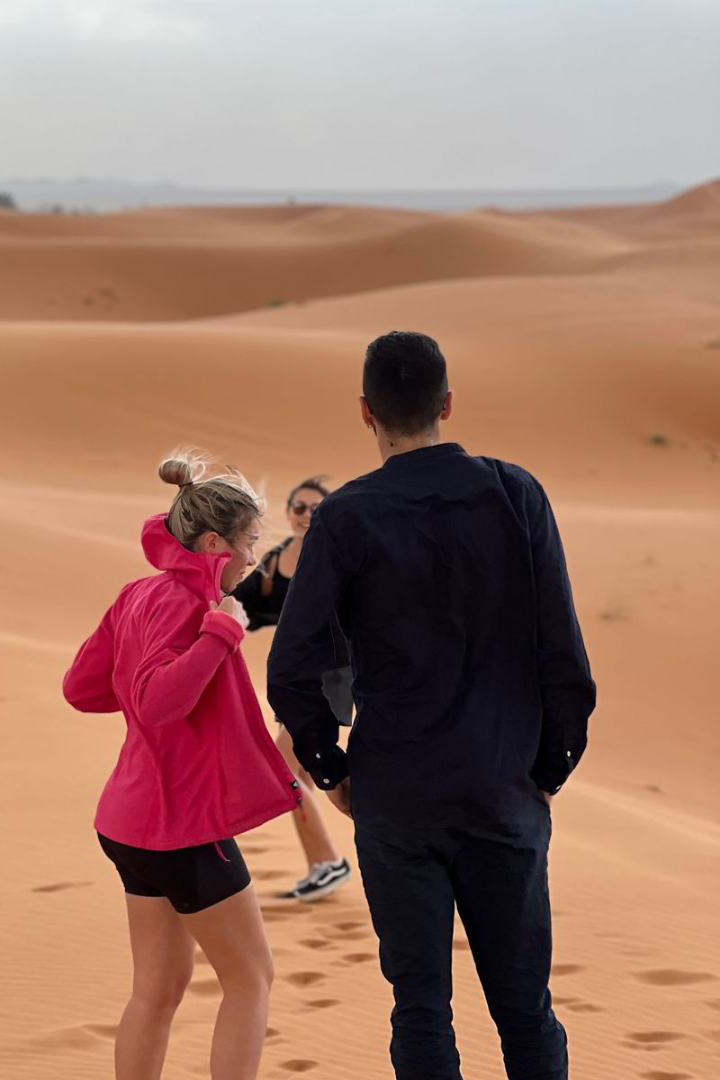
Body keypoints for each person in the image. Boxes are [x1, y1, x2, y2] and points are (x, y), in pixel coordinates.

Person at [267, 332, 596, 1080]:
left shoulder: (345, 517)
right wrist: (547, 770)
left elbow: (291, 666)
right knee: (525, 1007)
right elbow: (565, 656)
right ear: (447, 404)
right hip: (502, 789)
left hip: (396, 797)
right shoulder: (516, 494)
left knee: (420, 1009)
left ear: (365, 411)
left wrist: (331, 770)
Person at [63, 451, 300, 1080]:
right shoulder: (195, 606)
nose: (254, 559)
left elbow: (81, 688)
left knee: (159, 987)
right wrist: (220, 635)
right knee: (251, 978)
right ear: (216, 543)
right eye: (251, 543)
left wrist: (149, 693)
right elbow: (157, 701)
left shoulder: (138, 593)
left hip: (129, 821)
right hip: (181, 827)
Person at [231, 477, 353, 901]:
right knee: (296, 774)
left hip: (330, 678)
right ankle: (324, 863)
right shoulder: (275, 560)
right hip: (292, 680)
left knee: (282, 771)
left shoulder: (337, 555)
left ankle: (331, 861)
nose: (306, 514)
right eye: (299, 507)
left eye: (316, 508)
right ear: (288, 512)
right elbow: (240, 603)